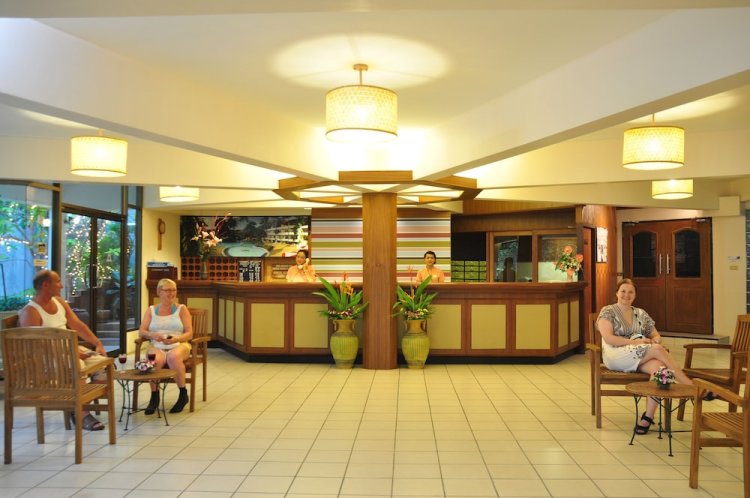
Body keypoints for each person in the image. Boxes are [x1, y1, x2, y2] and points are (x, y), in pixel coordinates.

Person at [597, 278, 708, 435]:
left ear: (635, 295)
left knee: (659, 367)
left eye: (630, 292)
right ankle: (691, 386)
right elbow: (609, 339)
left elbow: (656, 335)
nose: (626, 295)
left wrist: (654, 340)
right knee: (658, 351)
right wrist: (638, 343)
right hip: (615, 355)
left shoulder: (640, 313)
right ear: (616, 293)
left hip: (637, 355)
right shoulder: (608, 311)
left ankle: (647, 418)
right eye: (623, 291)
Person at [18, 270, 109, 431]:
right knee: (77, 366)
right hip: (47, 360)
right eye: (58, 281)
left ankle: (77, 406)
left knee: (104, 365)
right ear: (45, 285)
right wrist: (73, 353)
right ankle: (82, 413)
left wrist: (97, 343)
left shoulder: (59, 301)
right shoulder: (30, 312)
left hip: (69, 350)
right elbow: (36, 348)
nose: (61, 285)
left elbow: (77, 325)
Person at [138, 278, 193, 414]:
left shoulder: (181, 309)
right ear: (159, 292)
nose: (171, 293)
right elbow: (142, 331)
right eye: (167, 290)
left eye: (173, 290)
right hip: (157, 344)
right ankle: (154, 397)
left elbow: (189, 333)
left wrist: (177, 338)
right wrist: (152, 334)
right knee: (153, 359)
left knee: (173, 357)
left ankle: (183, 394)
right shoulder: (151, 310)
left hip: (179, 344)